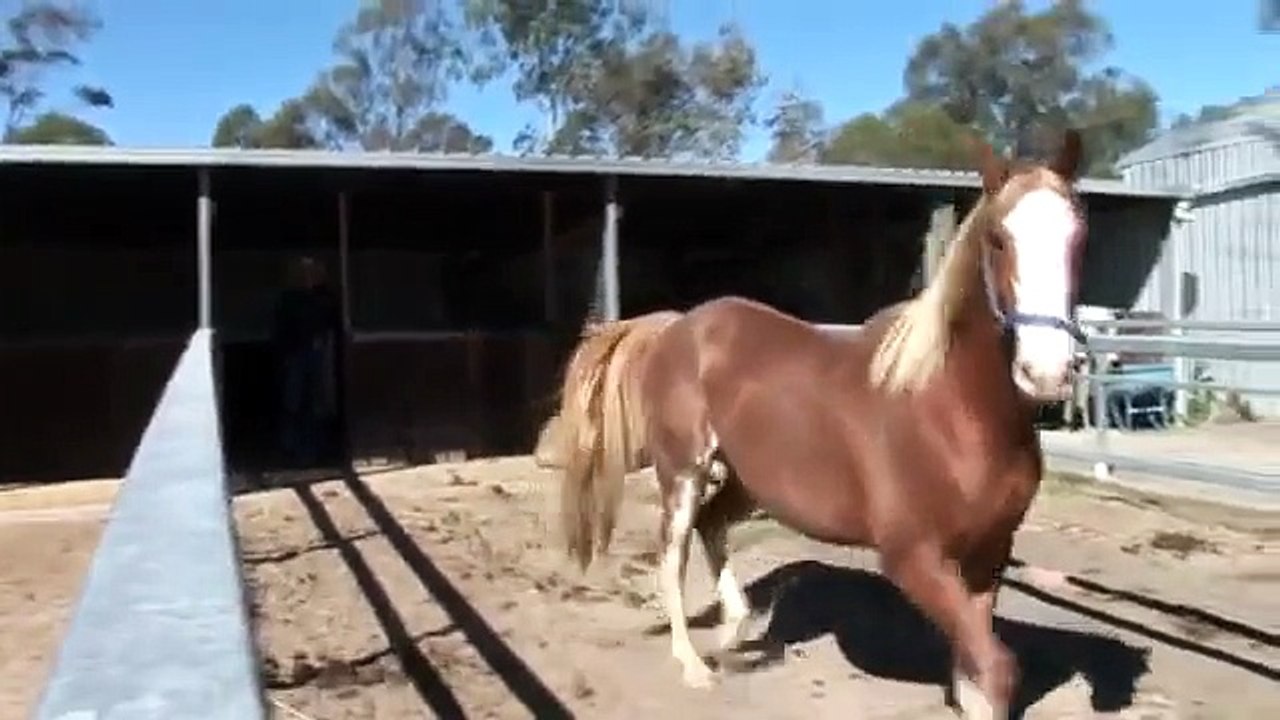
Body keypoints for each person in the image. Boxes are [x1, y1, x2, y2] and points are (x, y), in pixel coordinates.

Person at [270, 256, 340, 467]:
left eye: (313, 273)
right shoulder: (290, 299)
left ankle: (311, 452)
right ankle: (290, 449)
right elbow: (281, 328)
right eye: (306, 273)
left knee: (315, 404)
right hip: (296, 355)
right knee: (294, 402)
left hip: (316, 355)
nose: (309, 277)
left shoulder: (322, 298)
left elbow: (332, 323)